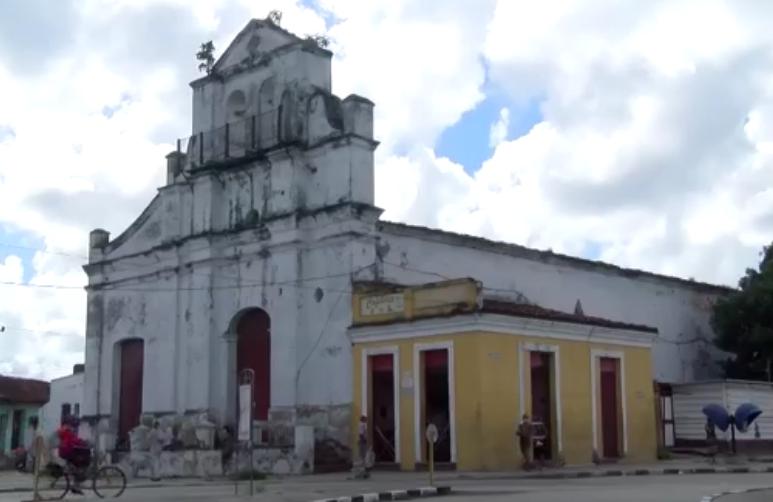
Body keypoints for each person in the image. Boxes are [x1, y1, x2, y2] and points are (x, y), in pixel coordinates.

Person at [57, 416, 89, 495]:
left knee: (77, 465)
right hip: (68, 451)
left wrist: (80, 442)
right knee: (81, 463)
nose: (75, 425)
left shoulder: (63, 429)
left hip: (63, 451)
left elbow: (71, 440)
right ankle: (76, 485)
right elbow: (73, 440)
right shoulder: (68, 430)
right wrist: (83, 442)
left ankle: (75, 483)